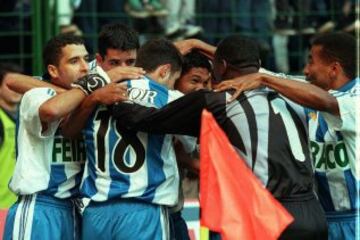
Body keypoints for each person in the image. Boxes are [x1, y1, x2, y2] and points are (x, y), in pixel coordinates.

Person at [109, 35, 329, 239]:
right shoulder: (295, 90)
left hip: (266, 213)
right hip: (313, 213)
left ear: (221, 66)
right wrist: (200, 45)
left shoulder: (219, 99)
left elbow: (146, 120)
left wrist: (116, 99)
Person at [215, 32, 358, 240]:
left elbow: (327, 102)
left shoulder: (354, 98)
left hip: (354, 220)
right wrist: (199, 46)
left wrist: (264, 78)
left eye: (311, 61)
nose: (305, 70)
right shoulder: (305, 93)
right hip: (321, 217)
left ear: (334, 69)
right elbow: (248, 68)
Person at [3, 33, 127, 240]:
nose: (84, 67)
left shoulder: (89, 96)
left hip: (74, 209)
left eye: (86, 59)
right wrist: (92, 90)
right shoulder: (37, 95)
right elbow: (51, 110)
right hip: (40, 208)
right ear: (53, 70)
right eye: (73, 61)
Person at [71, 38, 190, 240]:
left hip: (96, 214)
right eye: (174, 80)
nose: (173, 86)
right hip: (143, 210)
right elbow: (190, 145)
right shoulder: (171, 98)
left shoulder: (99, 95)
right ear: (165, 71)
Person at [170, 50, 212, 240]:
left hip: (178, 210)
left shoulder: (208, 113)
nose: (201, 89)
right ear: (175, 78)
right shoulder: (159, 112)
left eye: (205, 82)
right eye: (194, 81)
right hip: (159, 212)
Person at [0, 63, 22, 210]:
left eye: (19, 85)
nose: (17, 90)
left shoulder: (25, 117)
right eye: (11, 85)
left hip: (18, 207)